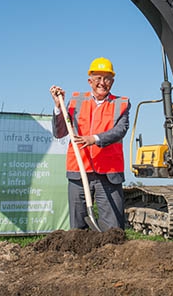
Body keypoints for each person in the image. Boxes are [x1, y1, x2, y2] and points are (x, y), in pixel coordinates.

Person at [49, 57, 130, 231]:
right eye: (98, 78)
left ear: (113, 81)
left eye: (107, 78)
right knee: (77, 229)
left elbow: (120, 131)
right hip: (79, 171)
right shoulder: (75, 101)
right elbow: (60, 132)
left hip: (108, 174)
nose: (102, 83)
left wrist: (94, 139)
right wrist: (58, 107)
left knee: (113, 229)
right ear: (90, 80)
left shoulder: (121, 104)